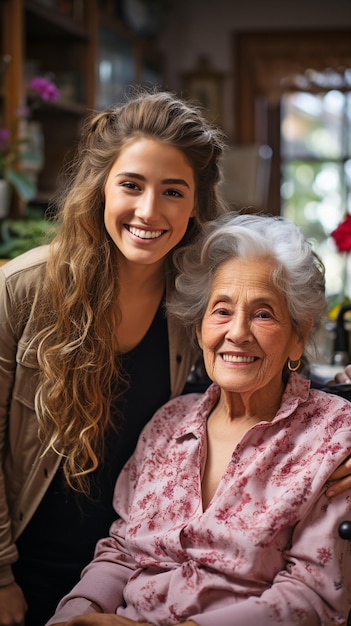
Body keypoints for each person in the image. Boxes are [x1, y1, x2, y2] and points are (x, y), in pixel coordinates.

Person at [46, 213, 351, 626]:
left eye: (263, 314)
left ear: (298, 334)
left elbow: (312, 597)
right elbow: (121, 550)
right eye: (221, 311)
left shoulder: (333, 435)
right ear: (200, 325)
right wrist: (77, 613)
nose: (238, 333)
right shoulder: (169, 423)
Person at [0, 89, 229, 626]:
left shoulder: (194, 301)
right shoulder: (21, 290)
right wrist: (1, 574)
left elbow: (267, 371)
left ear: (196, 204)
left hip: (129, 578)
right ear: (100, 187)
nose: (149, 211)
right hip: (22, 574)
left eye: (173, 191)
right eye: (131, 185)